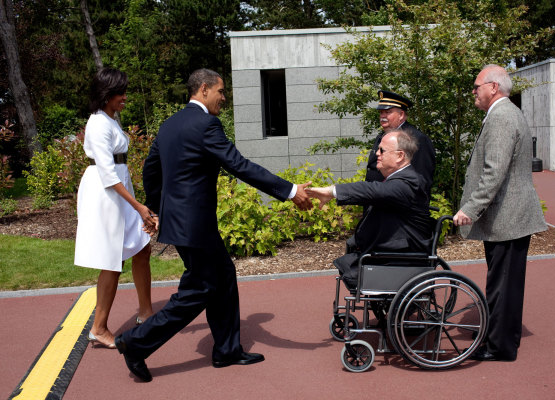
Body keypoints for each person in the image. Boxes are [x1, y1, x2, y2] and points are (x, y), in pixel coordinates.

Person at [114, 68, 313, 382]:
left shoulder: (170, 125)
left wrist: (155, 208)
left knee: (223, 276)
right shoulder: (207, 124)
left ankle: (227, 350)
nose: (224, 97)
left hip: (183, 224)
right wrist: (289, 191)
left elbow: (151, 169)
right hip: (195, 225)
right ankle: (136, 343)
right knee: (199, 289)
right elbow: (239, 165)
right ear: (204, 89)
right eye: (221, 91)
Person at [453, 64, 547, 362]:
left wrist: (470, 208)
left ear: (493, 87)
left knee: (503, 284)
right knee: (503, 282)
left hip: (509, 217)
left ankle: (500, 346)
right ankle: (501, 335)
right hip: (509, 216)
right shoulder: (503, 114)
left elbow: (495, 171)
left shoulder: (503, 117)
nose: (474, 92)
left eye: (477, 86)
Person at [74, 68, 156, 349]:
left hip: (118, 189)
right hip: (105, 193)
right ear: (106, 94)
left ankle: (146, 313)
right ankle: (98, 327)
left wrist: (134, 201)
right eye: (120, 92)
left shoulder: (109, 119)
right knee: (113, 258)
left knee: (141, 246)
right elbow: (107, 174)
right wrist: (138, 206)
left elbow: (116, 171)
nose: (125, 97)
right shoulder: (97, 123)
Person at [307, 130, 431, 289]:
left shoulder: (408, 182)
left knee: (352, 266)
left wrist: (331, 192)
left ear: (400, 156)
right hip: (392, 249)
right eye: (377, 150)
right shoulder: (400, 179)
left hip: (402, 255)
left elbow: (372, 190)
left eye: (382, 150)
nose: (377, 154)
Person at [367, 90, 435, 196]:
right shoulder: (382, 136)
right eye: (381, 112)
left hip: (398, 206)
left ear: (401, 115)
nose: (382, 116)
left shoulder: (416, 139)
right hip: (377, 202)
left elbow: (422, 180)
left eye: (388, 112)